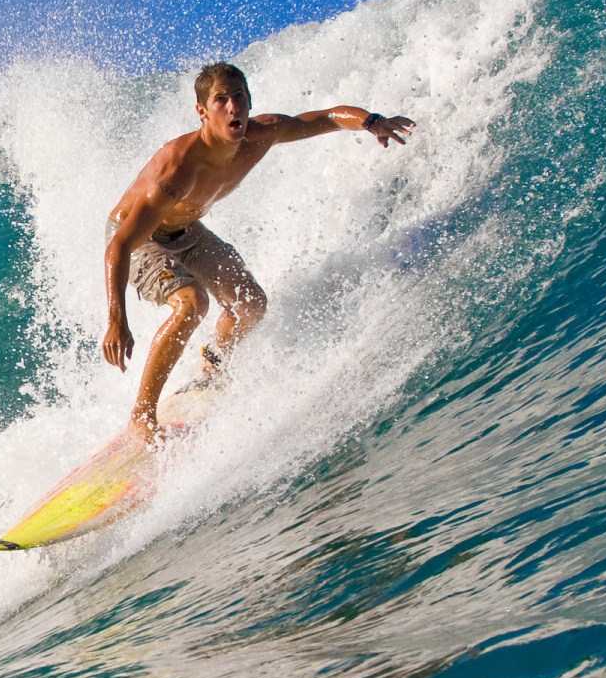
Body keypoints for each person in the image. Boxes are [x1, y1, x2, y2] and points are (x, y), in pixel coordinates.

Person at [103, 61, 414, 440]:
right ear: (202, 111)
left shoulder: (262, 134)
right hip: (140, 236)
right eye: (221, 99)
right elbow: (120, 245)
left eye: (239, 97)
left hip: (188, 229)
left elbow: (326, 118)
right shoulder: (178, 167)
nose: (233, 106)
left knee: (250, 302)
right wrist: (116, 319)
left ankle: (212, 366)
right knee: (192, 303)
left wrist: (371, 121)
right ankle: (141, 417)